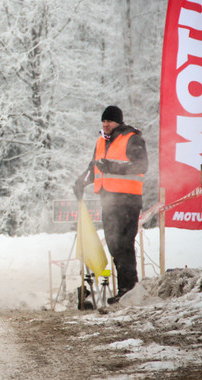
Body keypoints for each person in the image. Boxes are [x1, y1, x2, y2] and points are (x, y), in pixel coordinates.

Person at [74, 105, 148, 304]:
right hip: (109, 201)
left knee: (124, 244)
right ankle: (126, 290)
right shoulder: (100, 141)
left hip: (128, 200)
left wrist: (113, 166)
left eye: (109, 121)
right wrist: (82, 181)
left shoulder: (132, 138)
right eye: (103, 121)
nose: (105, 125)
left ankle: (129, 288)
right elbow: (94, 167)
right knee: (114, 244)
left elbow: (142, 165)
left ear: (118, 122)